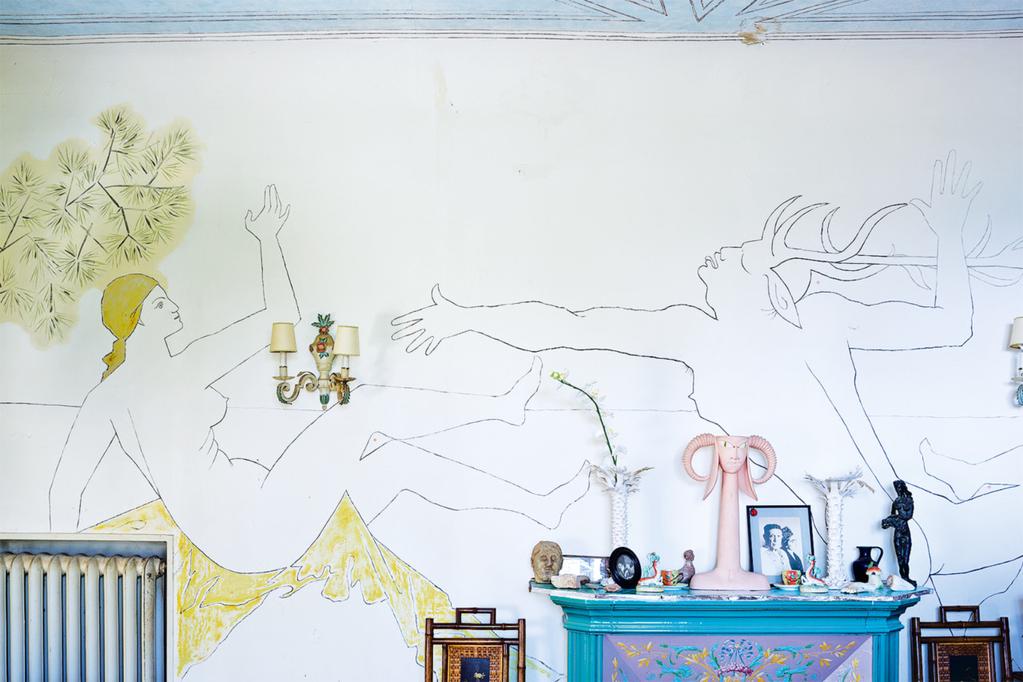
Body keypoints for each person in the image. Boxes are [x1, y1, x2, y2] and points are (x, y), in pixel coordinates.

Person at [390, 153, 1022, 586]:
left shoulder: (815, 321)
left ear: (761, 282)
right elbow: (574, 320)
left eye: (731, 256)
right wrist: (464, 316)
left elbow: (951, 323)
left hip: (878, 533)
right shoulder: (700, 329)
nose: (713, 258)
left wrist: (948, 233)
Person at [48, 185, 589, 675]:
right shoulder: (134, 386)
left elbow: (279, 315)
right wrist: (66, 578)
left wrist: (268, 240)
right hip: (251, 521)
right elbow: (65, 489)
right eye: (161, 303)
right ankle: (499, 408)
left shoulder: (163, 372)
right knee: (363, 408)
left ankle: (535, 499)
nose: (175, 307)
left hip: (254, 514)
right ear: (137, 317)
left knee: (394, 461)